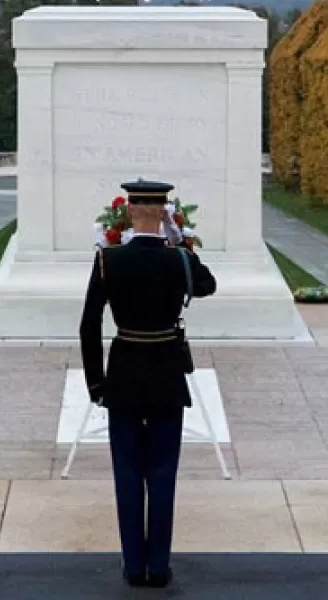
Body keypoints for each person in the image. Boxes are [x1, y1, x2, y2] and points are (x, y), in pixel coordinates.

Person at [79, 179, 216, 589]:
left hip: (122, 376)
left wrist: (96, 384)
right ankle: (159, 566)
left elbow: (89, 325)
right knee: (161, 473)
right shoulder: (178, 260)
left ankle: (133, 566)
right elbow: (207, 285)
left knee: (126, 473)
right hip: (166, 375)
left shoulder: (108, 259)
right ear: (166, 214)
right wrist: (184, 243)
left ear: (127, 214)